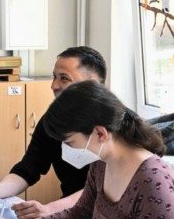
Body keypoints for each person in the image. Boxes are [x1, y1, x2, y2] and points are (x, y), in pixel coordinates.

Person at [0, 46, 107, 218]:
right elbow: (28, 168)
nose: (54, 85)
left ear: (92, 84)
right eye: (54, 77)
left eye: (64, 78)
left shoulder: (115, 124)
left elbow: (100, 190)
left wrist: (50, 209)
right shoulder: (52, 121)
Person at [41, 81, 173, 218]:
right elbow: (81, 212)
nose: (65, 148)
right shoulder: (101, 164)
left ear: (100, 134)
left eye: (70, 142)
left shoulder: (153, 181)